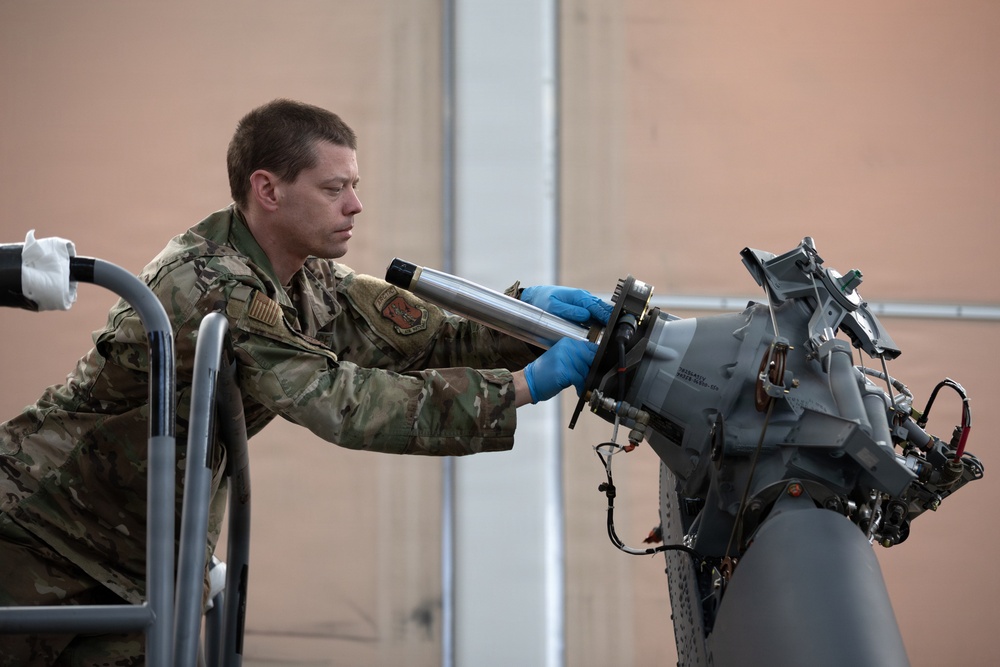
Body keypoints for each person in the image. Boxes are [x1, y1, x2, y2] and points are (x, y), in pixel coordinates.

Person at [0, 99, 610, 664]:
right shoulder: (212, 285)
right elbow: (343, 402)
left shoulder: (308, 280)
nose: (354, 205)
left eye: (354, 187)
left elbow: (429, 337)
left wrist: (530, 317)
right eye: (333, 188)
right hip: (36, 529)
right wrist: (523, 387)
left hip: (138, 562)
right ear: (267, 189)